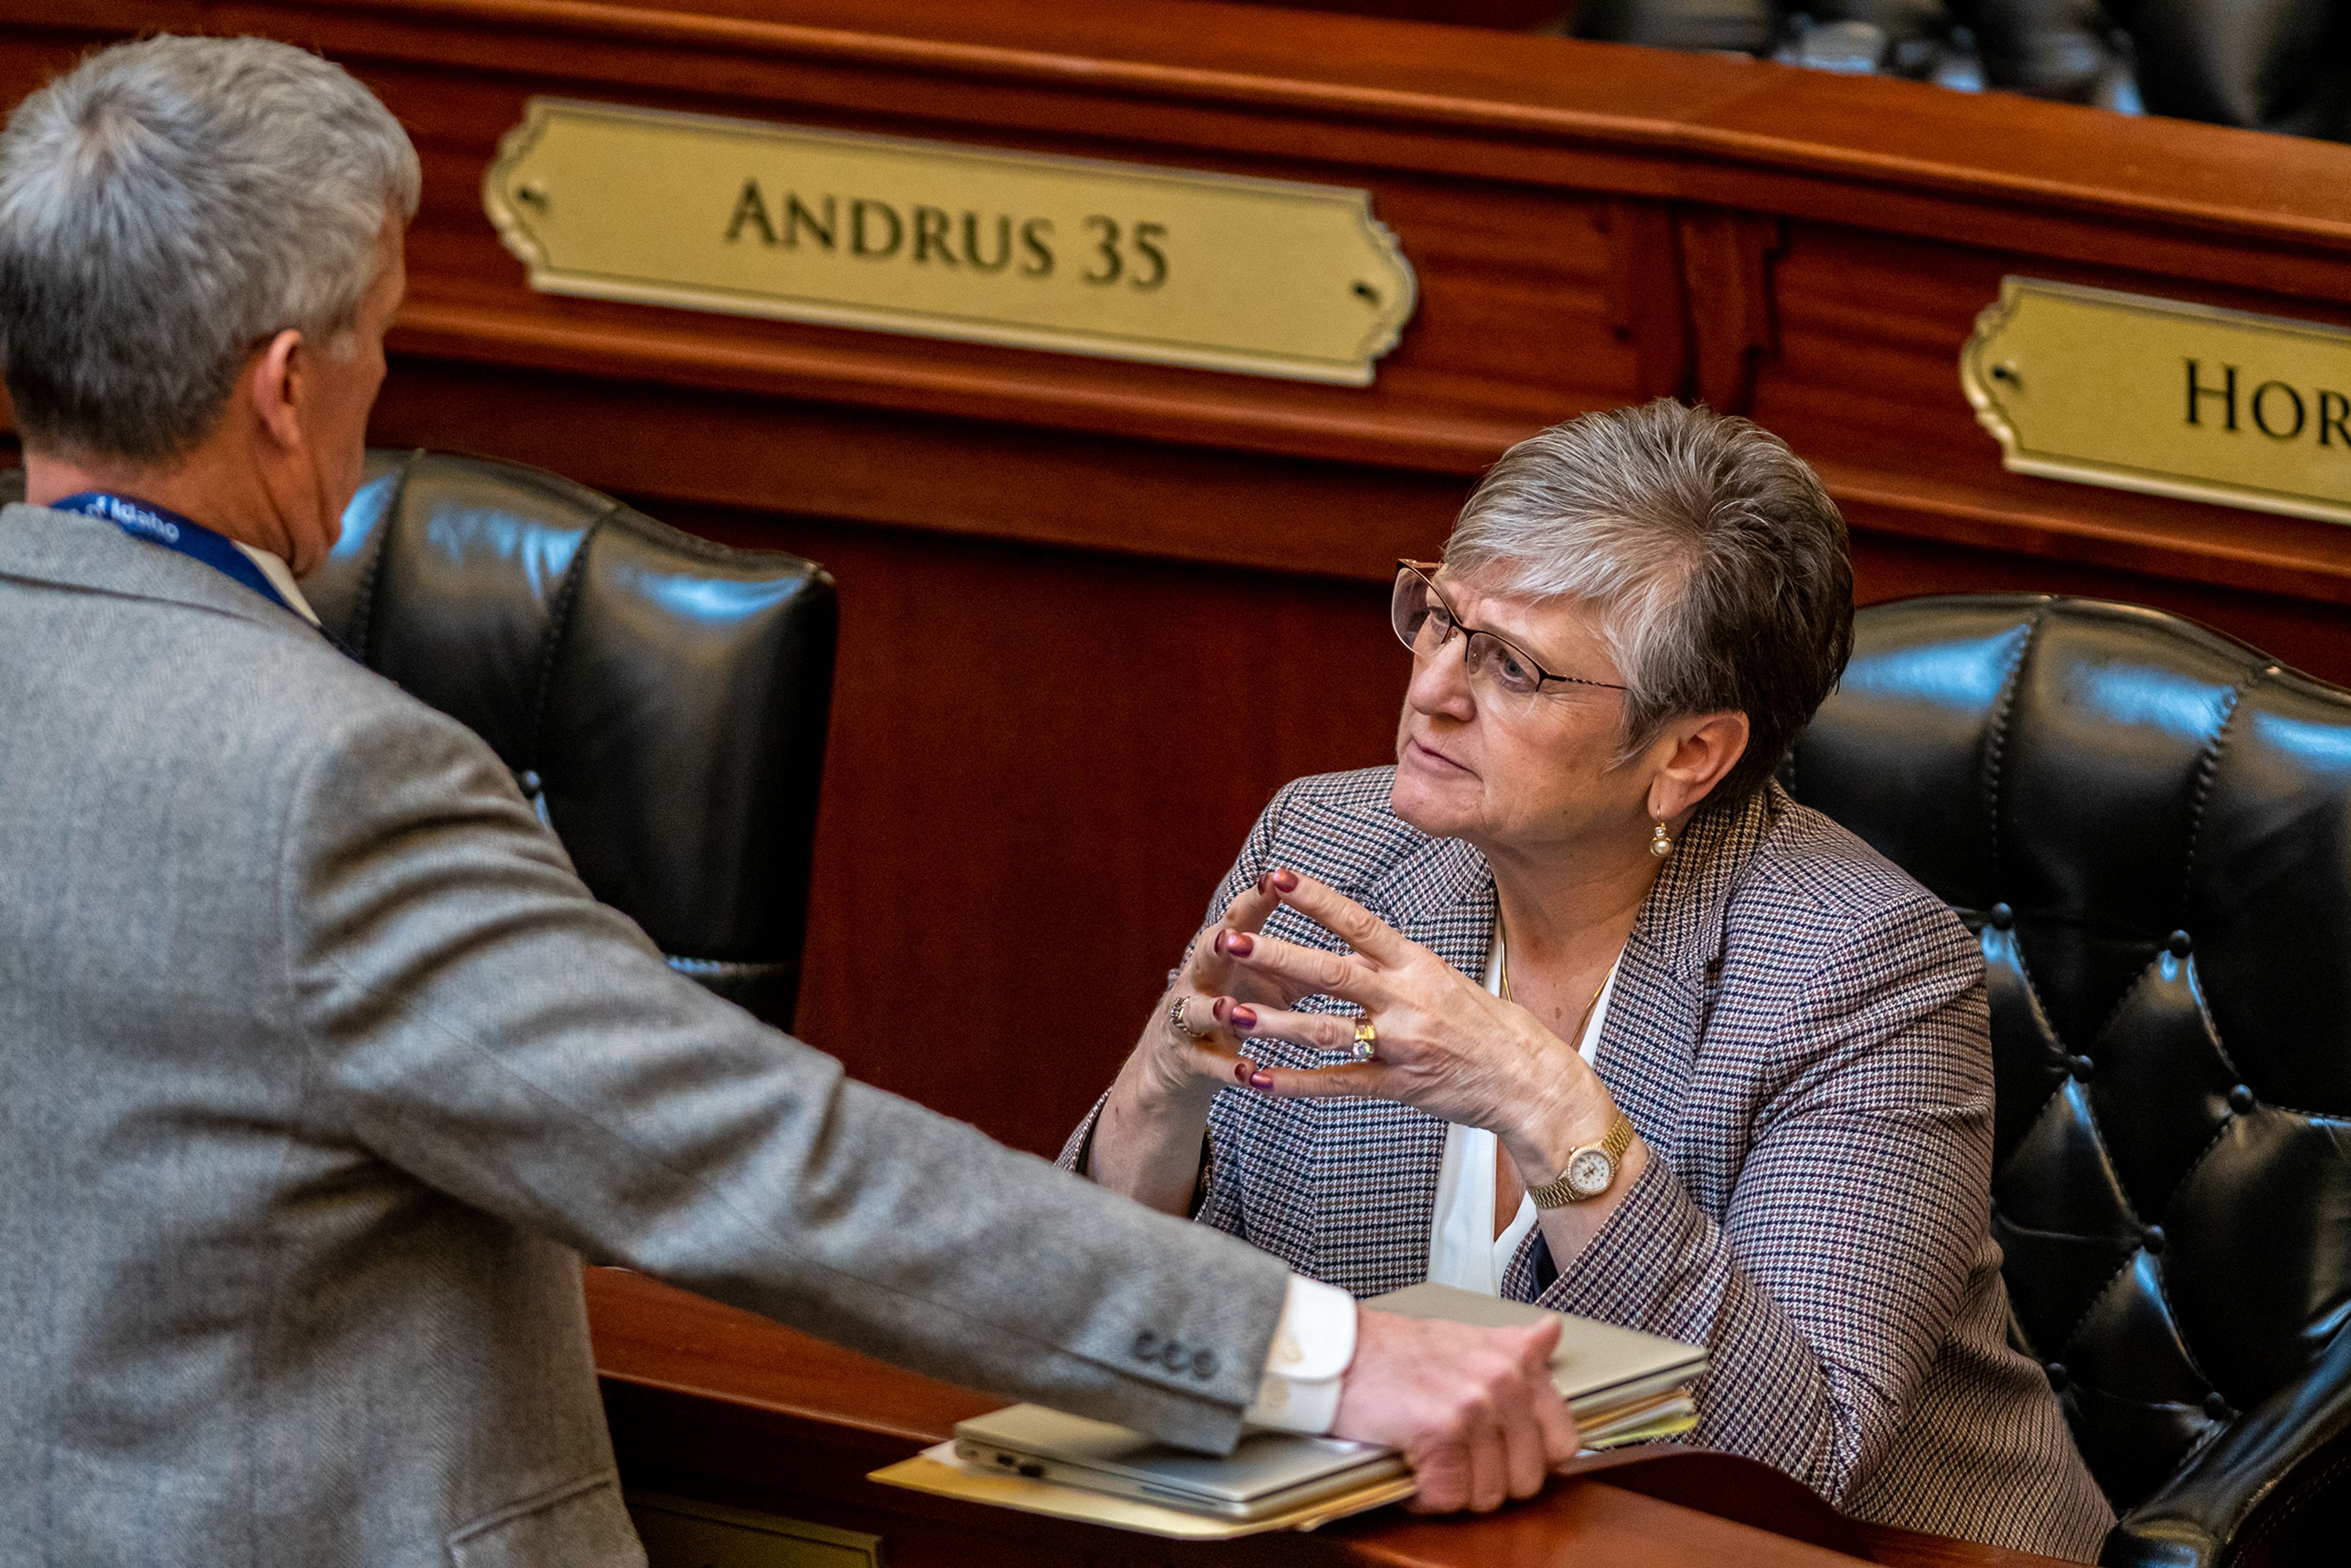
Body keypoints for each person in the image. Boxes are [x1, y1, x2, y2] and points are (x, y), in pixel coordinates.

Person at [0, 36, 1578, 1564]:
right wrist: (1317, 1357)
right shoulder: (329, 784)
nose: (380, 382)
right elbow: (764, 1164)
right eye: (379, 340)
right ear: (285, 387)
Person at [1068, 401, 2118, 1561]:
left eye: (1514, 665)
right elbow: (1103, 1310)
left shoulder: (1857, 964)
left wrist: (1547, 1103)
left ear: (1686, 757)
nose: (1435, 689)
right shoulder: (1337, 847)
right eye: (1442, 618)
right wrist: (1160, 1093)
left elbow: (1789, 1462)